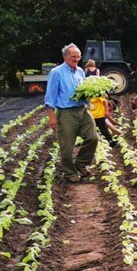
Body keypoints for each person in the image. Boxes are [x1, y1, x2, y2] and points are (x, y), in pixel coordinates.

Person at [42, 43, 99, 184]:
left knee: (93, 137)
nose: (76, 59)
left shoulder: (80, 71)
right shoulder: (57, 72)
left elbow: (84, 89)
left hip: (82, 110)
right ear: (65, 57)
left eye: (78, 57)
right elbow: (50, 95)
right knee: (67, 146)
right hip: (66, 113)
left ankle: (80, 163)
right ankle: (69, 173)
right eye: (73, 56)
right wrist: (52, 116)